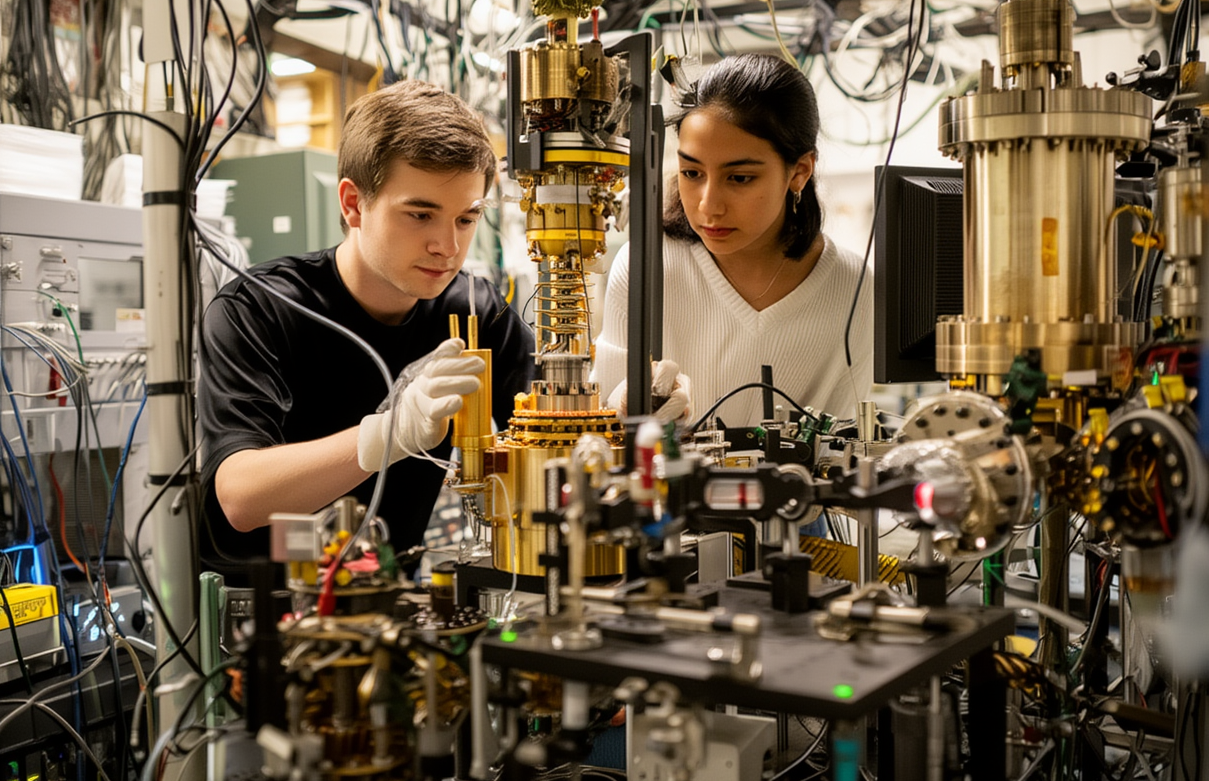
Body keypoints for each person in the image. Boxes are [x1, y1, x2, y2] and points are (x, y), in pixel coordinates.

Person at [198, 81, 536, 573]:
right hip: (262, 609)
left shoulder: (476, 314)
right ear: (353, 204)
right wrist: (390, 434)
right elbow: (241, 497)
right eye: (421, 214)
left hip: (390, 599)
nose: (447, 245)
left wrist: (626, 417)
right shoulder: (259, 309)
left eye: (466, 219)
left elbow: (549, 431)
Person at [592, 53, 873, 430]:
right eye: (692, 172)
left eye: (739, 178)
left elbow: (847, 440)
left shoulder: (856, 289)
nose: (708, 205)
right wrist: (628, 402)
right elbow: (598, 422)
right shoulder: (647, 265)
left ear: (799, 172)